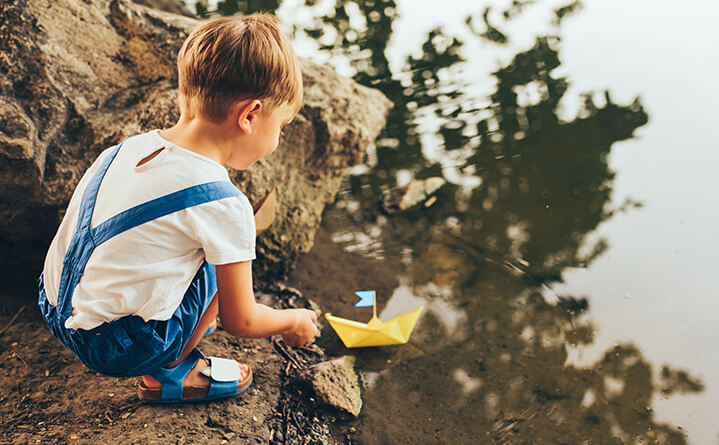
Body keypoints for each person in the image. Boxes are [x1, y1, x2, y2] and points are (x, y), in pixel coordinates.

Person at [37, 14, 318, 403]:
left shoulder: (126, 148)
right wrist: (293, 320)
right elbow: (243, 320)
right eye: (281, 125)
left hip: (53, 305)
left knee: (211, 238)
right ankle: (170, 372)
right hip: (116, 348)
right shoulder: (224, 205)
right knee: (228, 249)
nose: (278, 138)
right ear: (250, 115)